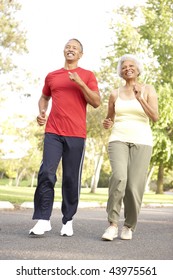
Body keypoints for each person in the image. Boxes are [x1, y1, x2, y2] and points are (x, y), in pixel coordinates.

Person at [29, 38, 100, 236]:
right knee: (46, 173)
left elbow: (96, 102)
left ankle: (67, 220)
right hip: (53, 131)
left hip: (76, 134)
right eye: (68, 47)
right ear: (64, 51)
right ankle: (43, 219)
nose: (71, 49)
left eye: (75, 48)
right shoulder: (52, 76)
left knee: (70, 178)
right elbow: (44, 97)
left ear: (80, 55)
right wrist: (42, 111)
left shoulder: (87, 75)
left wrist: (80, 83)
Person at [102, 54, 159, 241]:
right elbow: (110, 118)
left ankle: (129, 225)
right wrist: (107, 123)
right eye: (124, 66)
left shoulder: (148, 89)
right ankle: (112, 224)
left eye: (131, 65)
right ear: (121, 71)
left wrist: (140, 98)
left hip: (142, 140)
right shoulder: (114, 93)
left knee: (134, 186)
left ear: (138, 68)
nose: (128, 68)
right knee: (119, 177)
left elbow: (155, 117)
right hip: (118, 138)